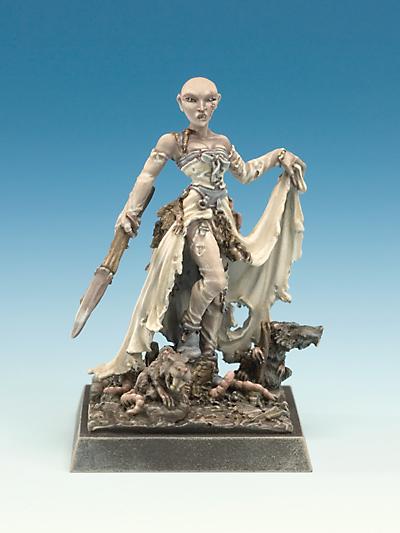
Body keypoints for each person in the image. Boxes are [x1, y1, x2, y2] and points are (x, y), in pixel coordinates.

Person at [91, 77, 307, 380]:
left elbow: (247, 173)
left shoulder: (223, 143)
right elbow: (147, 176)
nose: (201, 107)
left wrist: (279, 155)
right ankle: (189, 334)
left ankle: (206, 355)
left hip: (224, 220)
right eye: (192, 100)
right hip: (197, 216)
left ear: (217, 102)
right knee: (215, 280)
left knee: (220, 291)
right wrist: (130, 210)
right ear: (180, 102)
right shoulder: (173, 141)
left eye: (208, 100)